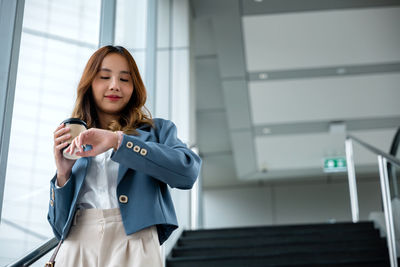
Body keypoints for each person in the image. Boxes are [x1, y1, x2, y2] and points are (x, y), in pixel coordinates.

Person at [48, 45, 201, 266]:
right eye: (104, 77)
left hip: (136, 241)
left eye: (125, 79)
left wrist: (119, 141)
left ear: (134, 87)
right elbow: (59, 227)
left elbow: (187, 172)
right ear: (90, 83)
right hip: (78, 243)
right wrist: (63, 174)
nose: (114, 86)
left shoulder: (157, 131)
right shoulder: (75, 136)